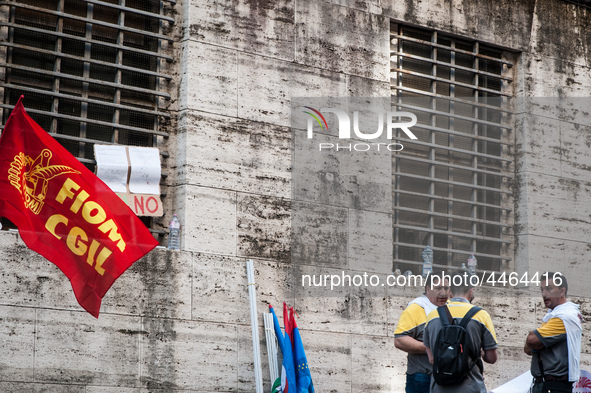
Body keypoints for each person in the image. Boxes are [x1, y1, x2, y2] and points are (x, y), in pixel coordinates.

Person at [423, 270, 498, 393]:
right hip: (471, 387)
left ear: (450, 292)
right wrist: (479, 352)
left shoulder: (432, 316)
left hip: (440, 388)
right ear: (471, 291)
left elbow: (432, 359)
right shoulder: (481, 316)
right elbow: (492, 358)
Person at [523, 272, 582, 393]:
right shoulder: (554, 315)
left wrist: (534, 345)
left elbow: (531, 340)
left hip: (553, 387)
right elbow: (529, 348)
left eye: (549, 289)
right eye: (542, 290)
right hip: (548, 385)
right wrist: (535, 346)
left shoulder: (563, 317)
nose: (544, 294)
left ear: (562, 291)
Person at [394, 273, 450, 393]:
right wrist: (430, 348)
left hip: (447, 377)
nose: (443, 293)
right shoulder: (416, 308)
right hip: (422, 378)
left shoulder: (450, 309)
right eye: (438, 288)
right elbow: (399, 340)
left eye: (446, 288)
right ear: (428, 289)